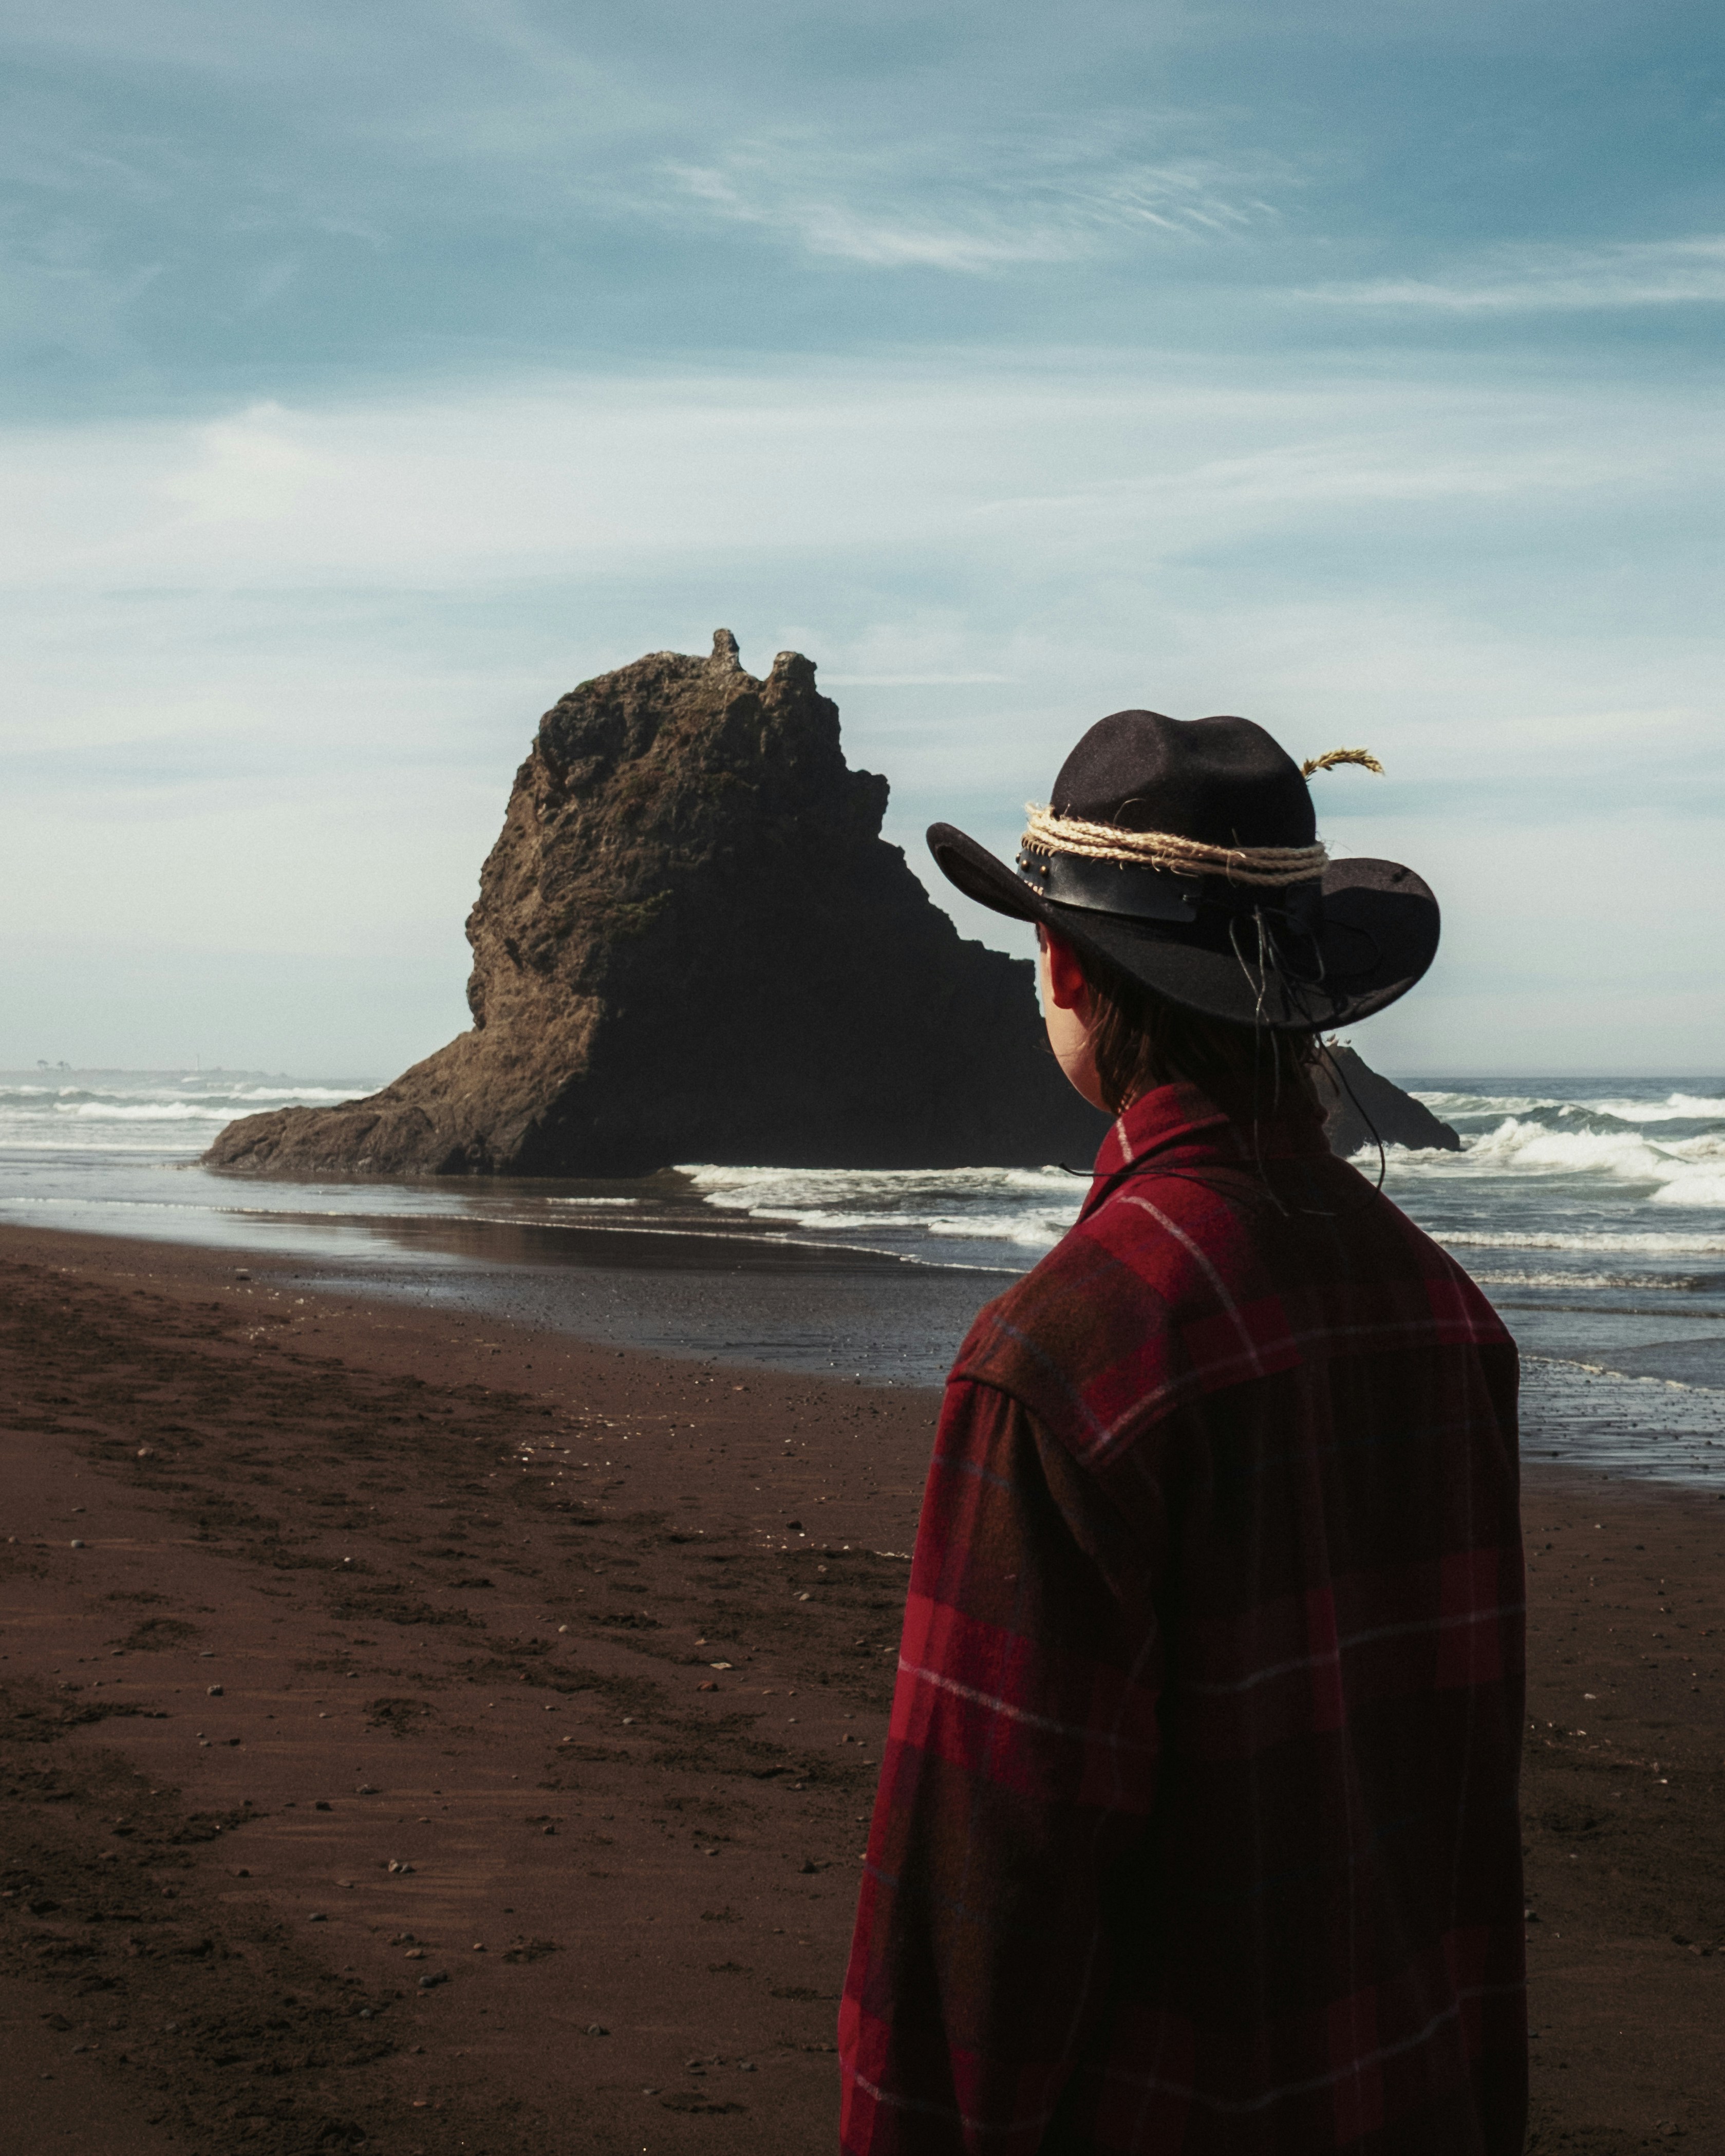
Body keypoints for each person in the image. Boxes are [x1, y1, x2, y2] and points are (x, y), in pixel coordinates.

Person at [839, 711, 1525, 2154]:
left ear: (1068, 966)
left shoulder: (1068, 1357)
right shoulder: (1448, 1319)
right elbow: (1463, 1833)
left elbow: (982, 1902)